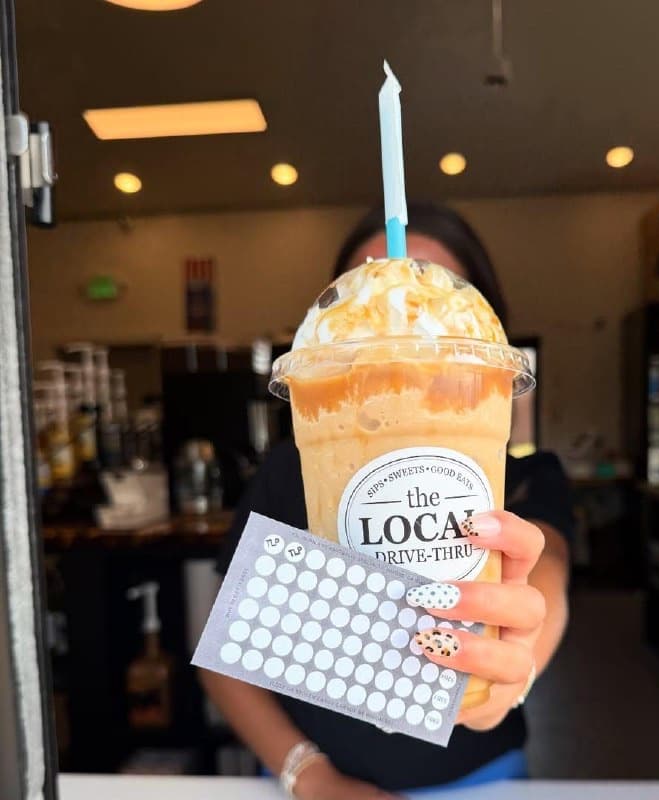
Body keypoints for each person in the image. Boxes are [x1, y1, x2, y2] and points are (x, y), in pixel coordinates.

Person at [201, 202, 573, 799]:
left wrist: (506, 678)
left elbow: (546, 577)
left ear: (489, 329)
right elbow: (224, 643)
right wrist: (310, 776)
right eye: (373, 298)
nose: (406, 330)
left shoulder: (529, 476)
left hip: (481, 778)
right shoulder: (290, 473)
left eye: (435, 299)